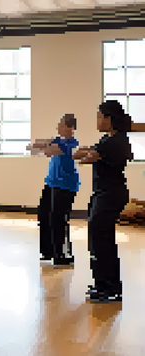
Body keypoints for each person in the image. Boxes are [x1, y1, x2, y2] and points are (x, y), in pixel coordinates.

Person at [72, 100, 132, 303]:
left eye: (100, 117)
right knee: (99, 241)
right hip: (105, 194)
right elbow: (84, 153)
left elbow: (85, 157)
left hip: (109, 195)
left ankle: (111, 288)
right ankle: (103, 284)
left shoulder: (115, 142)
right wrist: (87, 152)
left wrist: (87, 153)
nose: (97, 121)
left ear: (110, 119)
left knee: (102, 242)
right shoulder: (110, 139)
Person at [28, 114, 80, 267]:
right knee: (44, 215)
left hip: (66, 185)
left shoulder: (72, 143)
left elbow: (49, 151)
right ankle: (47, 252)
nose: (58, 127)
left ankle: (62, 254)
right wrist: (44, 144)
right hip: (51, 183)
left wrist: (45, 145)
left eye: (61, 125)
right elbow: (33, 146)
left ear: (69, 128)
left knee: (58, 219)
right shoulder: (58, 140)